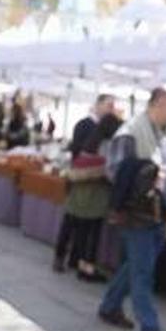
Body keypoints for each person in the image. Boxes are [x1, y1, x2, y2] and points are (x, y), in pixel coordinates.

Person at [97, 85, 166, 331]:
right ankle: (151, 330)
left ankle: (110, 307)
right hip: (138, 214)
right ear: (157, 104)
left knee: (136, 266)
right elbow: (114, 170)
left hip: (160, 212)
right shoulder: (131, 132)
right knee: (143, 272)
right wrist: (146, 176)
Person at [53, 95, 116, 272]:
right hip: (80, 181)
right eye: (108, 105)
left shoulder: (106, 131)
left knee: (83, 225)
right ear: (98, 105)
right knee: (72, 222)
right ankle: (61, 257)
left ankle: (75, 258)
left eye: (113, 106)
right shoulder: (84, 125)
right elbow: (76, 152)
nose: (111, 109)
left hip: (91, 184)